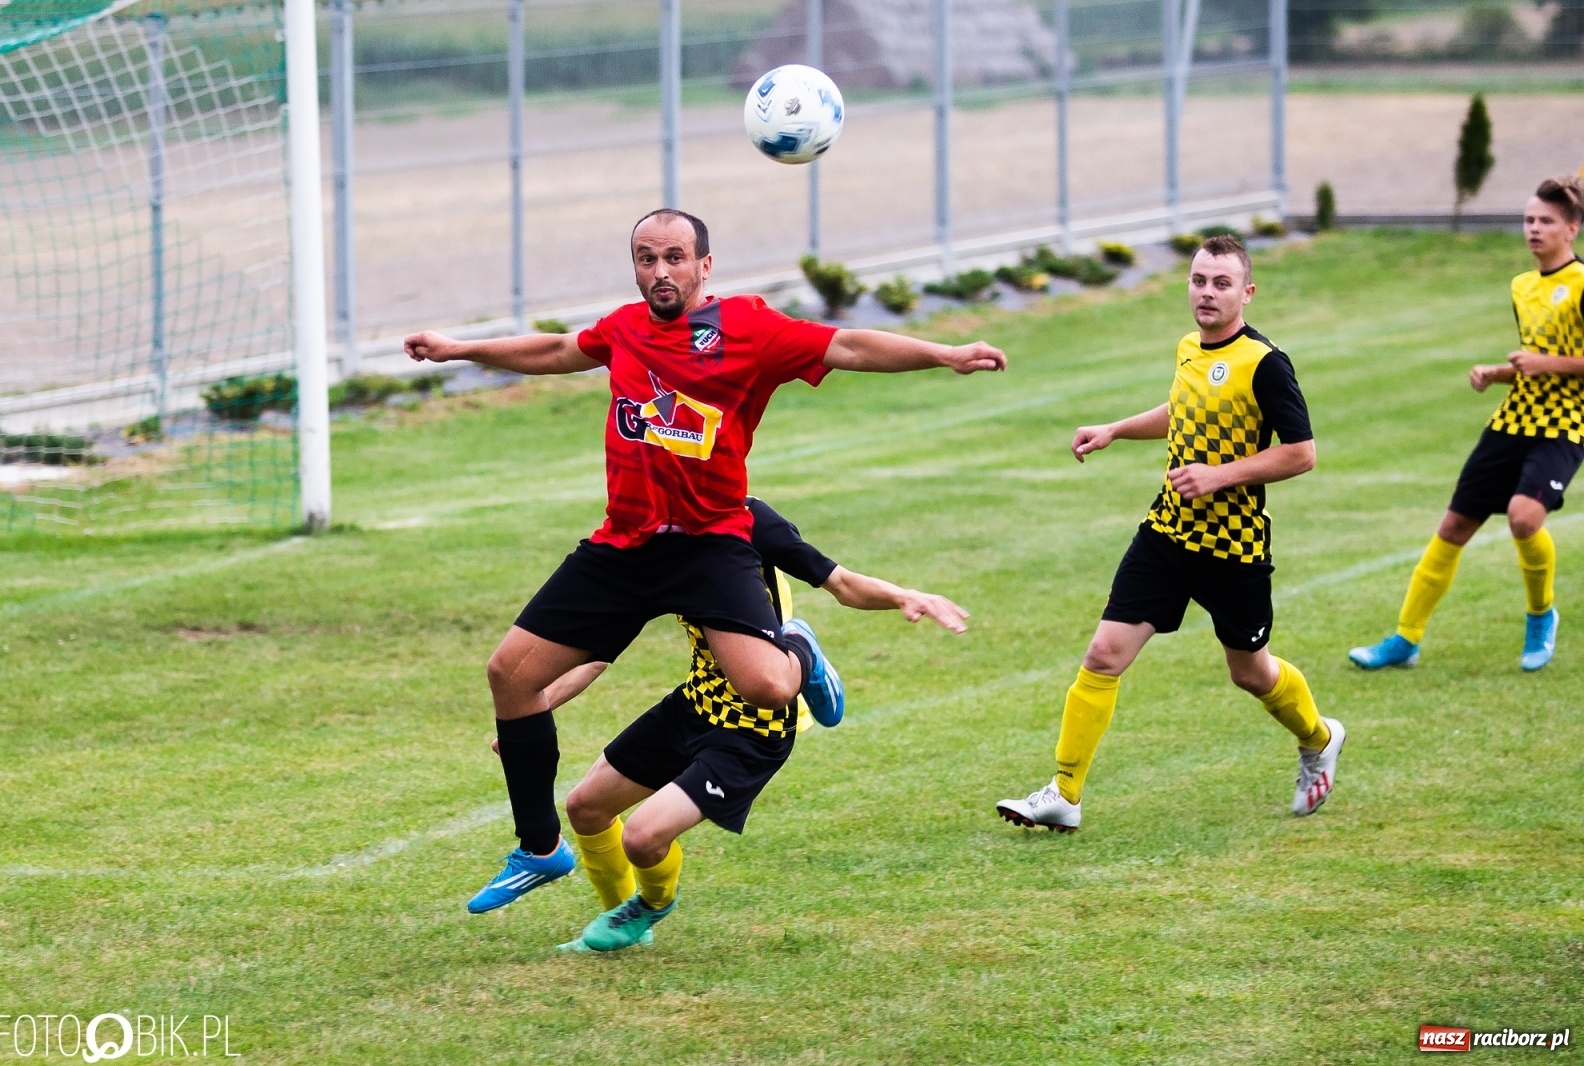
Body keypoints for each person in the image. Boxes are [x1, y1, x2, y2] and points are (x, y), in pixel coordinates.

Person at [403, 209, 1006, 914]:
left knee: (768, 690)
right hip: (624, 545)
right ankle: (539, 847)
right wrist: (458, 349)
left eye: (674, 257)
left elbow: (848, 344)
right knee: (509, 673)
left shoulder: (749, 327)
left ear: (704, 266)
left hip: (709, 544)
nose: (660, 272)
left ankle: (799, 652)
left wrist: (944, 353)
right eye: (646, 258)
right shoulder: (624, 328)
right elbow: (560, 349)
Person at [995, 234, 1344, 833]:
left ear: (1247, 293)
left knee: (1251, 673)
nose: (1207, 293)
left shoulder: (1265, 363)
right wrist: (1114, 429)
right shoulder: (1188, 347)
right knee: (1103, 655)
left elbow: (1302, 453)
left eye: (1221, 284)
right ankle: (1064, 793)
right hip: (1167, 533)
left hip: (1233, 548)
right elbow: (1182, 410)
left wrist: (1219, 476)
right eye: (1199, 281)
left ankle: (1318, 737)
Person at [547, 496, 970, 952]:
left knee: (643, 837)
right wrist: (533, 711)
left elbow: (842, 583)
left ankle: (649, 905)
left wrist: (904, 596)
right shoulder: (652, 536)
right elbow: (598, 652)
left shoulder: (750, 520)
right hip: (696, 702)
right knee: (585, 807)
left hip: (754, 728)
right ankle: (625, 923)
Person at [1350, 177, 1584, 672]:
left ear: (1572, 229)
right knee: (1454, 524)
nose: (1533, 229)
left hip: (1565, 424)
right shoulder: (1522, 286)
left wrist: (1547, 364)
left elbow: (1553, 362)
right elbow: (1537, 359)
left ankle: (1541, 615)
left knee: (1524, 518)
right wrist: (1499, 373)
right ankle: (1405, 639)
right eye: (1528, 220)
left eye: (1545, 221)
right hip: (1514, 418)